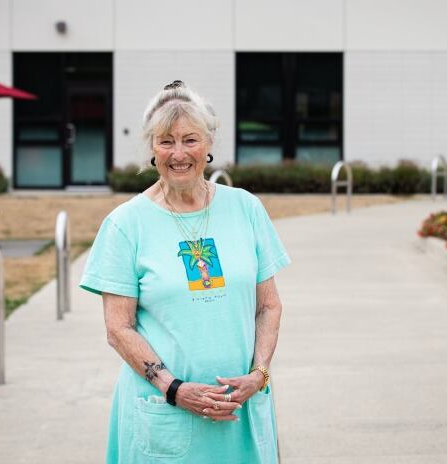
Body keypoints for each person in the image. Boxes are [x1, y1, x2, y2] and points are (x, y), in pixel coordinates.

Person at [80, 80, 290, 463]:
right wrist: (173, 388)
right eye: (166, 141)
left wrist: (259, 375)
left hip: (240, 413)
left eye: (190, 140)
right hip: (165, 410)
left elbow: (268, 307)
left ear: (209, 144)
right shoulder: (125, 224)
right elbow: (118, 328)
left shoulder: (246, 209)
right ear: (152, 149)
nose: (178, 154)